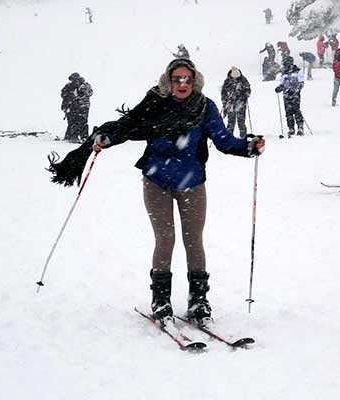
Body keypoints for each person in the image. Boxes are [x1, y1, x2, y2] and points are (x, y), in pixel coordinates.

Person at [47, 59, 265, 326]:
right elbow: (128, 125)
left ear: (194, 81)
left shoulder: (205, 107)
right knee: (166, 239)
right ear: (169, 81)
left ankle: (198, 301)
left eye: (187, 79)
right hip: (156, 181)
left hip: (192, 183)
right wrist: (106, 138)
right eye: (177, 79)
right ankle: (160, 300)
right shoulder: (155, 103)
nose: (182, 84)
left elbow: (224, 140)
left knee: (193, 241)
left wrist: (248, 146)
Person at [275, 57, 305, 138]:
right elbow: (282, 83)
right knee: (288, 112)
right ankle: (291, 128)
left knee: (296, 110)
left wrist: (295, 91)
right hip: (286, 95)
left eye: (285, 64)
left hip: (295, 95)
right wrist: (280, 88)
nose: (284, 66)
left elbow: (301, 83)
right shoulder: (284, 72)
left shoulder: (298, 71)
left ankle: (300, 127)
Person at [60, 72, 93, 142]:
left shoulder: (84, 85)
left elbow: (89, 93)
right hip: (72, 106)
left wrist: (78, 95)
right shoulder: (69, 85)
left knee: (82, 121)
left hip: (82, 106)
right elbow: (63, 94)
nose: (74, 81)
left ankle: (83, 137)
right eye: (72, 79)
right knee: (72, 121)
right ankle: (70, 136)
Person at [221, 66, 251, 137]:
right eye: (234, 77)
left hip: (241, 103)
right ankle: (229, 137)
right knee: (231, 122)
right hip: (230, 104)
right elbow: (223, 93)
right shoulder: (227, 81)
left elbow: (248, 89)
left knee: (241, 122)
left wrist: (245, 95)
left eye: (237, 77)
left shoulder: (243, 80)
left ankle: (243, 136)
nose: (235, 78)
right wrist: (224, 103)